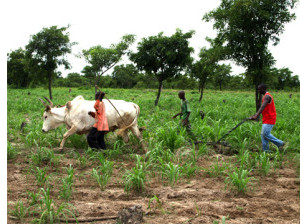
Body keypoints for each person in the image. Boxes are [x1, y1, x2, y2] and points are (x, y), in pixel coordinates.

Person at [250, 84, 285, 152]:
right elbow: (262, 108)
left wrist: (256, 116)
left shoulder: (267, 97)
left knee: (265, 134)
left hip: (270, 118)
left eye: (259, 89)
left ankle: (280, 143)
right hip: (266, 118)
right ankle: (266, 151)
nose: (258, 91)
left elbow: (262, 107)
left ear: (263, 89)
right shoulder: (265, 96)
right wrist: (253, 115)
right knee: (263, 135)